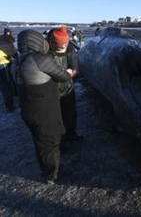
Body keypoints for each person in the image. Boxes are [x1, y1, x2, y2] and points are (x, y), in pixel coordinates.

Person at [11, 29, 73, 184]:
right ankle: (51, 175)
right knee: (49, 142)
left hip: (27, 109)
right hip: (44, 109)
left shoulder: (17, 62)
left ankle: (50, 169)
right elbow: (63, 76)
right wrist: (69, 71)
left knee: (39, 140)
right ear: (36, 42)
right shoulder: (40, 59)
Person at [47, 26, 83, 151]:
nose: (63, 47)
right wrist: (64, 73)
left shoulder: (70, 48)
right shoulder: (46, 51)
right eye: (60, 45)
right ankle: (60, 142)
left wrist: (72, 72)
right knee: (56, 116)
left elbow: (74, 66)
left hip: (67, 86)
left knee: (71, 112)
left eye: (65, 45)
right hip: (52, 89)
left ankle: (71, 133)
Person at [0, 38, 17, 112]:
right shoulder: (8, 43)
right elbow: (15, 54)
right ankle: (14, 96)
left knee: (4, 87)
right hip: (10, 64)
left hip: (2, 67)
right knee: (11, 82)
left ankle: (10, 106)